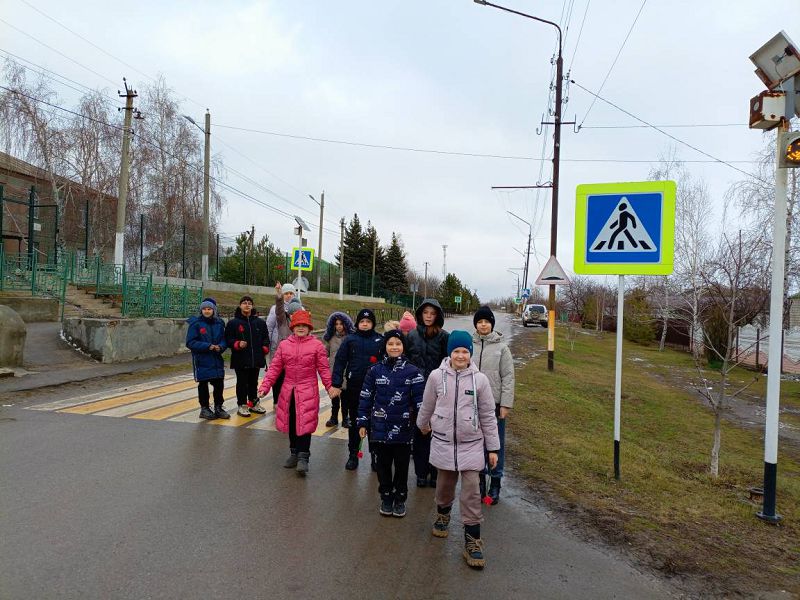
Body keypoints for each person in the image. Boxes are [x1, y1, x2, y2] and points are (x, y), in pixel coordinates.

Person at [416, 330, 499, 569]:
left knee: (471, 490)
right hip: (443, 442)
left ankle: (472, 540)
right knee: (444, 485)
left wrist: (493, 448)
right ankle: (443, 514)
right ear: (449, 353)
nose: (460, 356)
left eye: (464, 351)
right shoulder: (436, 377)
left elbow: (487, 415)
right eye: (456, 351)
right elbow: (427, 404)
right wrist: (422, 425)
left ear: (470, 353)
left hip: (471, 444)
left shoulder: (480, 380)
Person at [257, 310, 336, 475]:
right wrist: (265, 386)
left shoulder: (317, 346)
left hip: (308, 390)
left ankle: (303, 457)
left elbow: (323, 369)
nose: (301, 328)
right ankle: (294, 453)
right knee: (292, 423)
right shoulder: (284, 345)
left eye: (304, 325)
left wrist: (330, 387)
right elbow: (275, 368)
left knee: (305, 424)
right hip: (288, 391)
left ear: (309, 328)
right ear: (292, 327)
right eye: (298, 325)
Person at [357, 330, 425, 518]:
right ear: (384, 346)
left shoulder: (413, 372)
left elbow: (420, 401)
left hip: (404, 430)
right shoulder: (374, 371)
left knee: (402, 467)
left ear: (403, 347)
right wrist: (362, 422)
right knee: (382, 466)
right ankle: (386, 497)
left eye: (398, 343)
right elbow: (365, 398)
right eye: (390, 343)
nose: (394, 347)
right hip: (379, 429)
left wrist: (423, 423)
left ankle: (400, 498)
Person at [330, 308, 384, 471]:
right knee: (354, 423)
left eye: (368, 321)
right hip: (354, 388)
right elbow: (340, 361)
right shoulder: (350, 340)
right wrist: (337, 383)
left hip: (375, 390)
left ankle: (375, 456)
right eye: (362, 321)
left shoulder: (380, 340)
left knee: (375, 424)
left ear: (373, 323)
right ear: (357, 323)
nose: (365, 324)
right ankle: (353, 455)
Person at [471, 305, 515, 504]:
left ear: (492, 324)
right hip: (471, 404)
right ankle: (480, 481)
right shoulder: (470, 345)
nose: (483, 325)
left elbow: (508, 377)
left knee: (495, 444)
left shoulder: (501, 348)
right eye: (480, 322)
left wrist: (505, 404)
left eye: (486, 322)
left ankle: (495, 481)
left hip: (494, 405)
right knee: (476, 443)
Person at [406, 298, 450, 488]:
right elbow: (407, 361)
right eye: (425, 313)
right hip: (416, 391)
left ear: (437, 315)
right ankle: (421, 473)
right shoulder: (412, 336)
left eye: (432, 313)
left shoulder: (444, 337)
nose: (429, 316)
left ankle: (435, 472)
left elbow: (448, 364)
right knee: (419, 433)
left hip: (439, 393)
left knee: (437, 434)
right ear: (420, 314)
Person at [225, 295, 270, 417]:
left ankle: (253, 403)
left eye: (249, 303)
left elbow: (266, 338)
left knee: (253, 382)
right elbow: (228, 339)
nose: (247, 305)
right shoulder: (233, 323)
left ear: (252, 306)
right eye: (244, 303)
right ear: (240, 305)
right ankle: (242, 405)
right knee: (242, 383)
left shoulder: (260, 323)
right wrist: (237, 344)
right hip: (241, 359)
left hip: (256, 358)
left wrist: (265, 347)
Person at [186, 299, 229, 420]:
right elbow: (190, 342)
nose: (206, 311)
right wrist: (207, 346)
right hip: (202, 359)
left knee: (219, 383)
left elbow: (224, 339)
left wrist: (221, 346)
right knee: (203, 384)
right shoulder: (196, 324)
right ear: (201, 310)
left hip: (216, 358)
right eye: (204, 309)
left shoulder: (219, 323)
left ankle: (218, 407)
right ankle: (204, 408)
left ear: (213, 310)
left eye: (209, 309)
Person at [265, 282, 303, 405]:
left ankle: (290, 400)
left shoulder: (301, 309)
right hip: (278, 346)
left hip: (296, 350)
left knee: (292, 376)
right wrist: (267, 343)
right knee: (277, 374)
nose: (289, 295)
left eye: (291, 293)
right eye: (286, 293)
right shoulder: (277, 311)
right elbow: (269, 327)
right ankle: (277, 400)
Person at [323, 311, 355, 427]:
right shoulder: (331, 338)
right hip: (334, 373)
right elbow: (324, 353)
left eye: (341, 324)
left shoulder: (350, 338)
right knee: (334, 398)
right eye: (336, 324)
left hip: (346, 372)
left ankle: (345, 418)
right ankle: (334, 417)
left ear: (346, 324)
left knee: (345, 398)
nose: (339, 326)